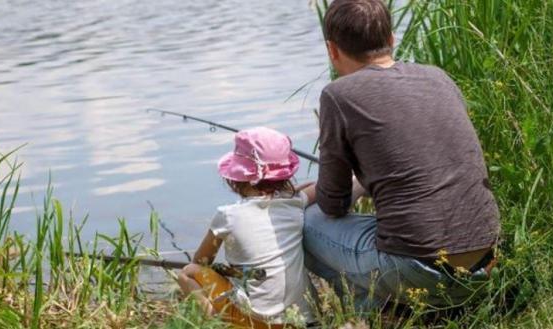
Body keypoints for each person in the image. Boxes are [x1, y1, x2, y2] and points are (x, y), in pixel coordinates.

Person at [299, 0, 501, 310]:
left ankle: (375, 309)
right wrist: (366, 181)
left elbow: (332, 204)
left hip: (421, 272)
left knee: (304, 223)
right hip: (485, 264)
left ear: (332, 50)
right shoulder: (438, 77)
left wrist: (337, 188)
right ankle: (395, 311)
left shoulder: (338, 95)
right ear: (391, 39)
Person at [178, 127, 316, 327]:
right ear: (285, 176)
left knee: (187, 272)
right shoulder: (295, 203)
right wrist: (293, 193)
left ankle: (215, 321)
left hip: (256, 322)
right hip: (303, 320)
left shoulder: (227, 216)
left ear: (236, 178)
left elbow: (201, 261)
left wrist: (226, 270)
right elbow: (318, 186)